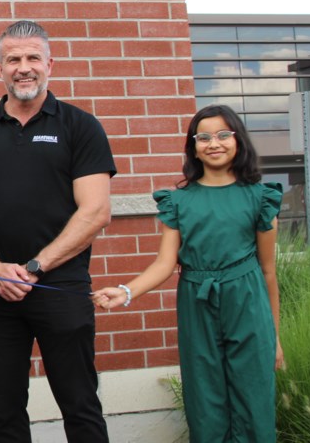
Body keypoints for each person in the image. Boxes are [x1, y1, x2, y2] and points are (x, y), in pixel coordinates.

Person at [0, 20, 115, 443]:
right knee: (4, 414)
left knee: (80, 406)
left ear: (50, 64)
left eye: (32, 58)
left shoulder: (81, 127)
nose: (23, 68)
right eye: (13, 59)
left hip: (61, 286)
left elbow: (96, 210)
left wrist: (33, 266)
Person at [92, 104, 283, 442]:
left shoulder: (260, 198)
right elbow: (165, 264)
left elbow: (268, 272)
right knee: (204, 399)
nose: (214, 143)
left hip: (248, 301)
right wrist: (126, 291)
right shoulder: (179, 202)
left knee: (254, 399)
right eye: (204, 137)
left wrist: (275, 337)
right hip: (198, 302)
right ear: (193, 146)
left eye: (224, 134)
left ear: (238, 140)